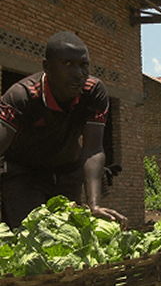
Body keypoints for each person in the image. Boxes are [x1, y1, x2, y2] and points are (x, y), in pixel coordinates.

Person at [0, 31, 127, 230]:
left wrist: (94, 205)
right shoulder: (21, 96)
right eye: (68, 64)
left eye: (84, 65)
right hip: (24, 174)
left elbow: (93, 149)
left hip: (67, 172)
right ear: (47, 67)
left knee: (68, 236)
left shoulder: (94, 92)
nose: (78, 73)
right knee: (29, 236)